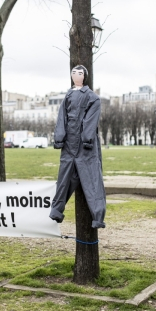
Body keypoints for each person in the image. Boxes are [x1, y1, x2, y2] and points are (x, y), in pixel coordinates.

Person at [49, 65, 106, 228]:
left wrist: (87, 139)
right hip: (68, 144)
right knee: (64, 178)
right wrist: (59, 138)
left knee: (92, 180)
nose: (76, 75)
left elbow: (90, 120)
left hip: (84, 146)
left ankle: (97, 217)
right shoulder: (68, 95)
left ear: (85, 76)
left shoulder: (92, 97)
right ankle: (56, 210)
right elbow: (62, 118)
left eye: (79, 73)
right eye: (73, 72)